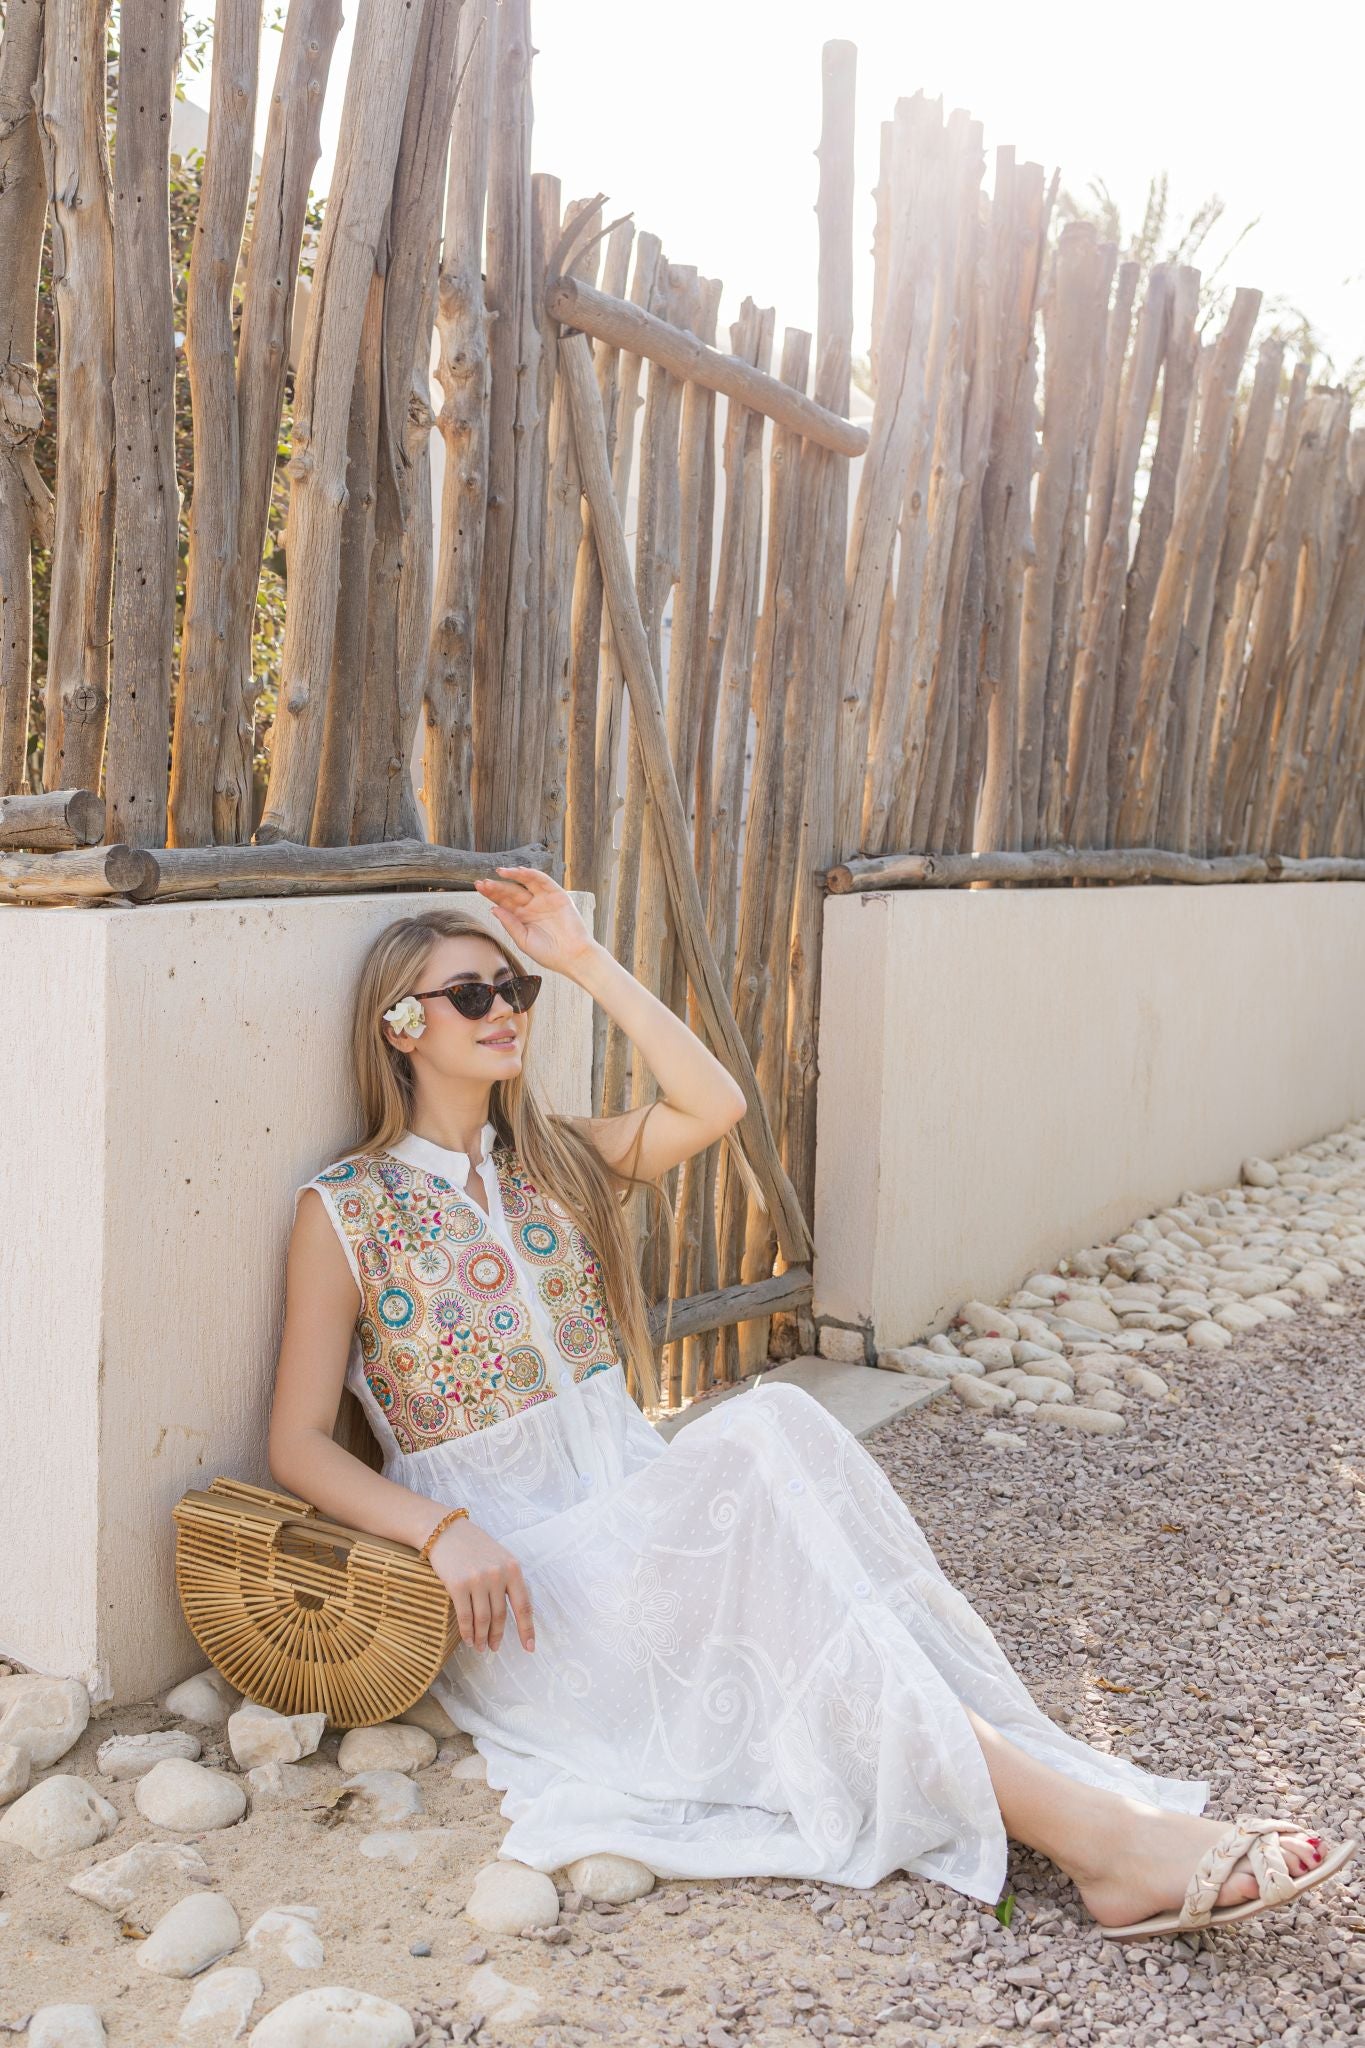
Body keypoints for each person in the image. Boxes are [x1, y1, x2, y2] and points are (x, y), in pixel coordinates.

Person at [268, 868, 1351, 1943]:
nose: (505, 1008)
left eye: (514, 989)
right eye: (472, 994)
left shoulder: (554, 1161)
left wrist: (582, 960)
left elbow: (715, 1103)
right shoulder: (349, 1209)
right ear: (400, 1027)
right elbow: (297, 1443)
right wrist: (445, 1531)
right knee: (761, 1442)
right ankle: (1105, 1838)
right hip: (526, 1578)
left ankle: (1101, 1833)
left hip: (630, 1511)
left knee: (811, 1546)